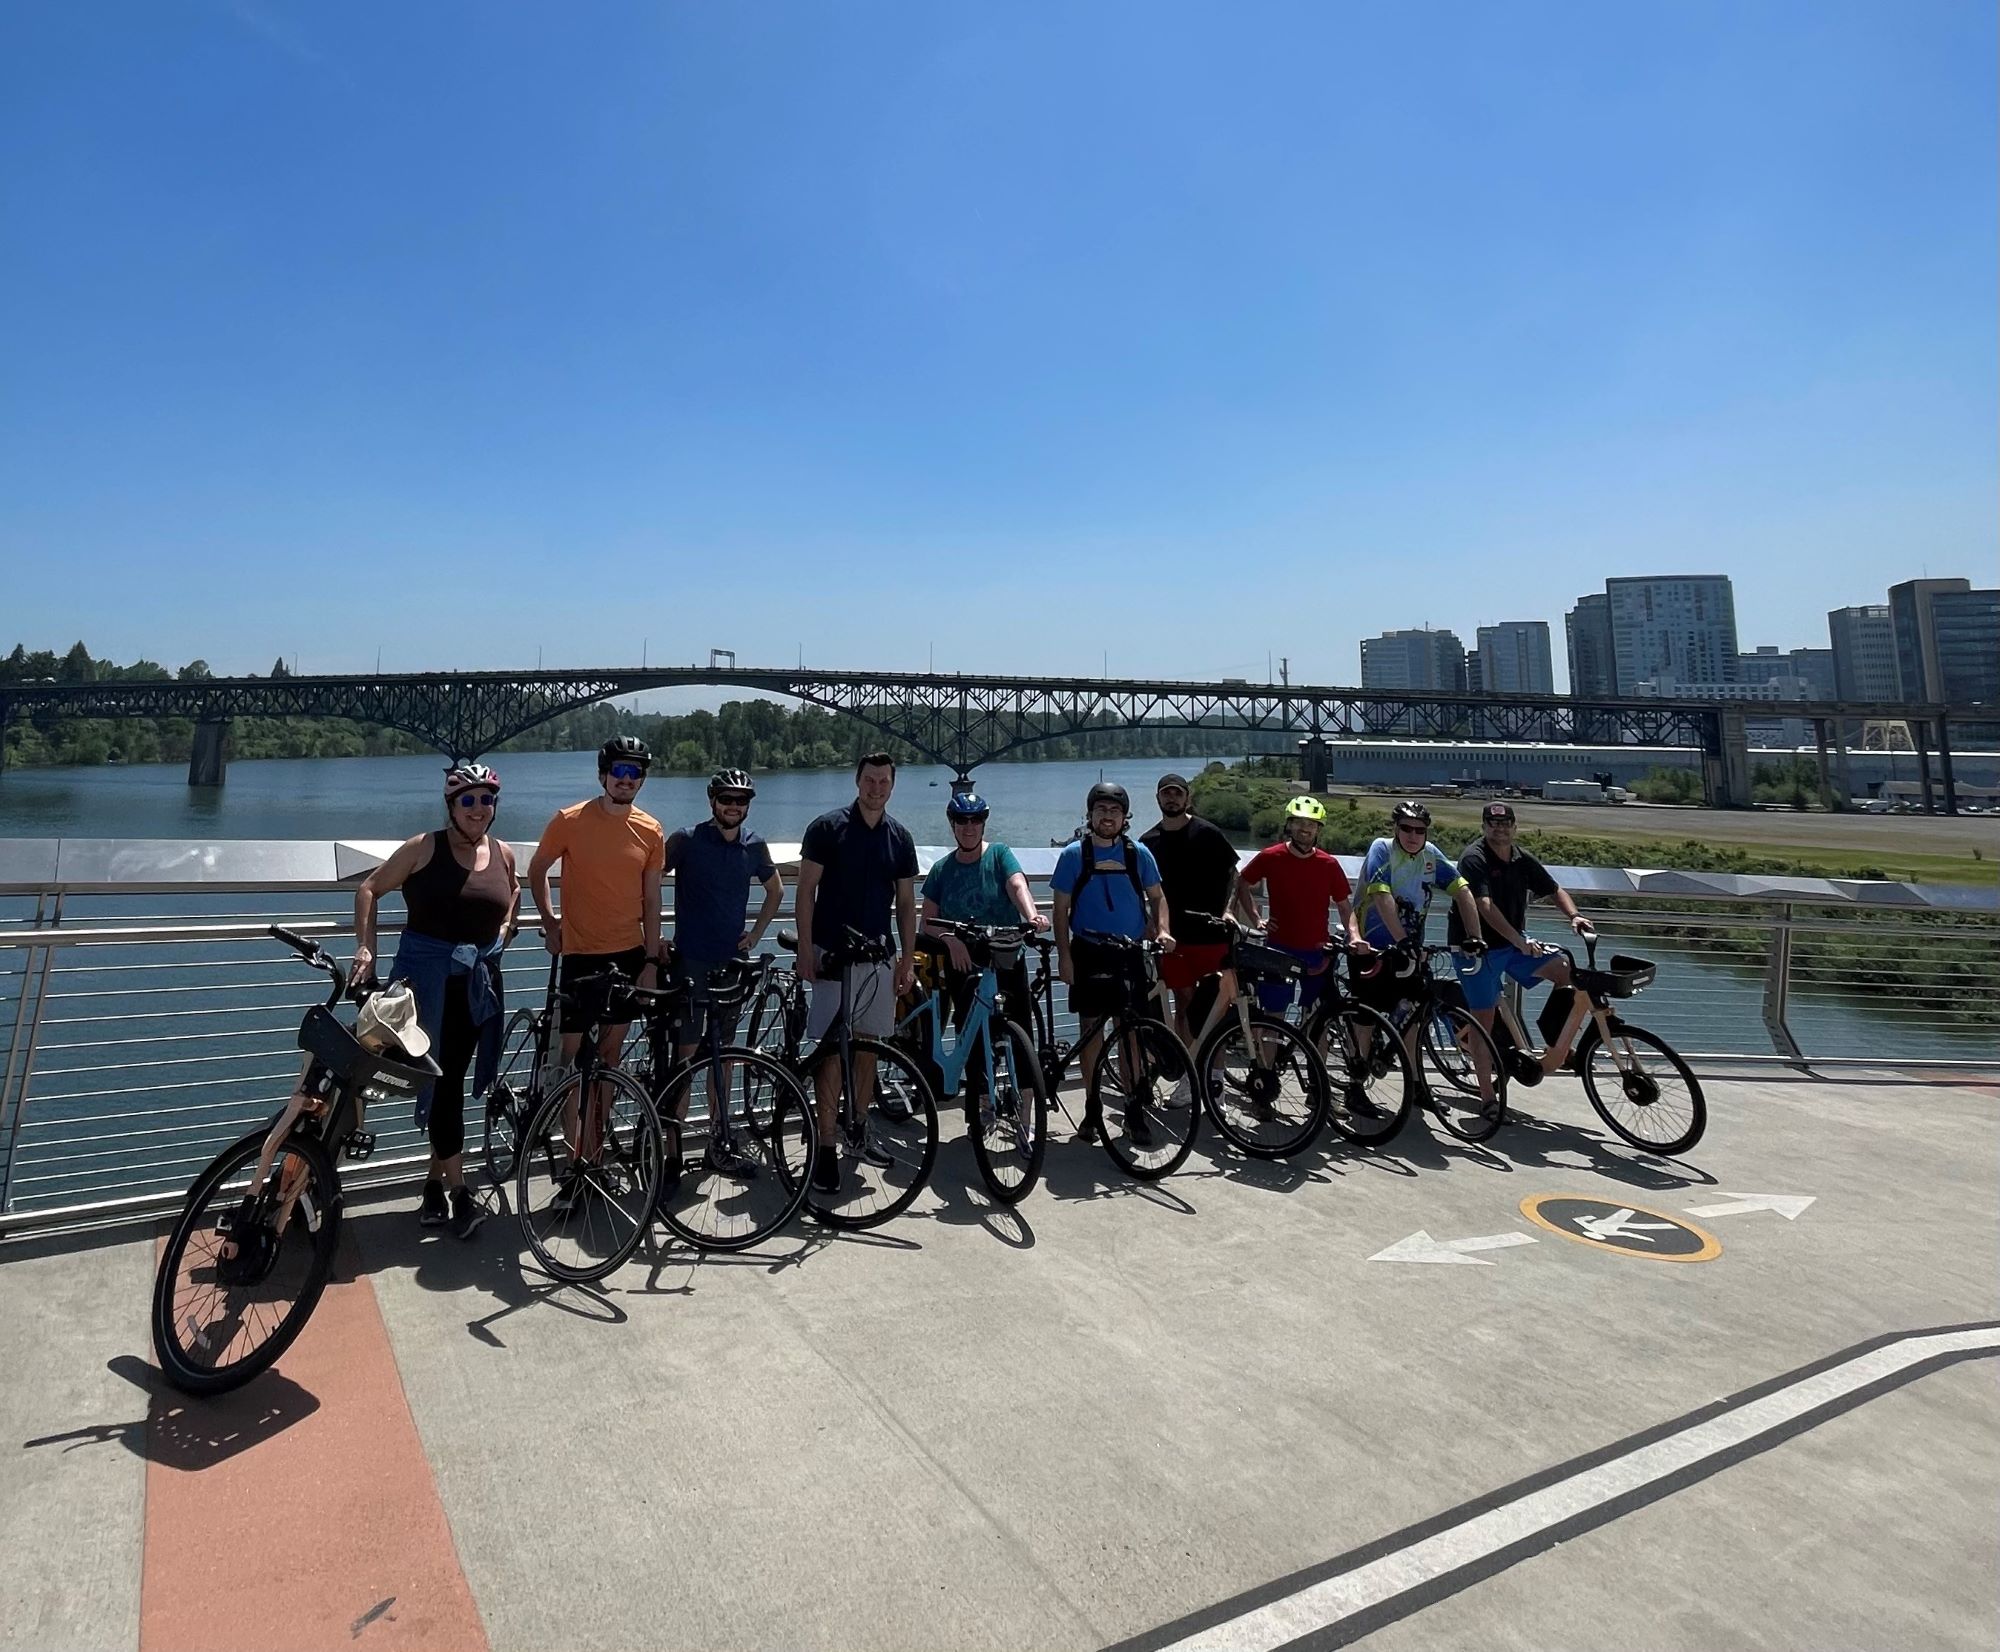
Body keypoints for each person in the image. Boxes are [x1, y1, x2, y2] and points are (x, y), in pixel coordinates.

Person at [352, 763, 517, 1240]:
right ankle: (462, 1193)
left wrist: (503, 932)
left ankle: (432, 1184)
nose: (478, 809)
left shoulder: (503, 853)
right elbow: (370, 889)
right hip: (424, 987)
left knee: (452, 1083)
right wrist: (367, 948)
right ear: (452, 806)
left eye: (486, 800)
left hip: (474, 988)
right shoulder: (424, 847)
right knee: (439, 1084)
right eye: (468, 800)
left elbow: (514, 896)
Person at [527, 736, 666, 1209]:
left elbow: (651, 900)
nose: (627, 781)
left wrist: (650, 960)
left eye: (635, 774)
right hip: (581, 957)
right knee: (571, 1067)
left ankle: (596, 1160)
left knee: (609, 1061)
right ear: (603, 773)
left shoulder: (650, 830)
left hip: (627, 956)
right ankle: (571, 1168)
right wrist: (549, 922)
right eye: (619, 772)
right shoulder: (569, 821)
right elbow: (538, 869)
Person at [795, 753, 920, 1192]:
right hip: (833, 958)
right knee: (832, 1053)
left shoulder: (900, 838)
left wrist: (907, 958)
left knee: (867, 1048)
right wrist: (806, 948)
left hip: (877, 959)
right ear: (857, 781)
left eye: (884, 781)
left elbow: (906, 905)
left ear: (892, 785)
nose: (876, 788)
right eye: (870, 780)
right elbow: (805, 891)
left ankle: (859, 1130)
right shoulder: (827, 829)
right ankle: (825, 1144)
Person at [663, 768, 784, 1173]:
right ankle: (672, 1151)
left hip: (731, 965)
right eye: (726, 798)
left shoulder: (754, 845)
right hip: (691, 961)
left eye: (741, 800)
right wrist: (653, 938)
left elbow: (776, 890)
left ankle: (719, 1140)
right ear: (711, 800)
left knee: (725, 1056)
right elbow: (645, 882)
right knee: (685, 1056)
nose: (734, 806)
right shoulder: (686, 840)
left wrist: (756, 933)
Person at [1050, 780, 1175, 1141]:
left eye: (1115, 811)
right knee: (1091, 1031)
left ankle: (1135, 1107)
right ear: (1090, 815)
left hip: (1130, 952)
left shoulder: (1139, 854)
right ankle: (1091, 1108)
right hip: (1088, 951)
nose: (1108, 817)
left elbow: (1158, 897)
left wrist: (1163, 929)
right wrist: (1064, 956)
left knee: (1131, 1033)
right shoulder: (1074, 854)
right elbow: (1060, 911)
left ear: (1125, 817)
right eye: (1101, 810)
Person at [917, 790, 1049, 1108]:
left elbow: (1017, 884)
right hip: (964, 964)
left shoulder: (999, 855)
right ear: (952, 824)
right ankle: (982, 1108)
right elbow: (928, 923)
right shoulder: (941, 870)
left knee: (1021, 1039)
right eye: (961, 820)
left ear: (984, 822)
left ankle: (1027, 1118)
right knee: (973, 1038)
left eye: (976, 819)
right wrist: (950, 941)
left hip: (1005, 955)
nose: (969, 826)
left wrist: (1032, 916)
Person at [1349, 799, 1486, 1095]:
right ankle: (1356, 1087)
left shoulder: (1430, 856)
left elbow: (1462, 890)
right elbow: (1382, 897)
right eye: (1406, 828)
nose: (1413, 835)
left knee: (1413, 1015)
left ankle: (1414, 1084)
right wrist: (1402, 940)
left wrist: (1475, 935)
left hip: (1409, 951)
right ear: (1396, 829)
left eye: (1419, 830)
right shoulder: (1382, 849)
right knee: (1368, 1017)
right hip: (1371, 947)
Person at [1450, 801, 1595, 1073]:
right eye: (1493, 824)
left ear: (1514, 828)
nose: (1500, 830)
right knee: (1485, 1021)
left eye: (1505, 824)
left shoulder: (1520, 858)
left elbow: (1553, 888)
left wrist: (1574, 915)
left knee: (1565, 970)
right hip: (1477, 948)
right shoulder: (1474, 857)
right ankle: (1489, 1101)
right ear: (1484, 827)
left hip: (1511, 943)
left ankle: (1557, 1046)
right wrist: (1520, 941)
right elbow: (1485, 906)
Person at [1231, 795, 1367, 1019]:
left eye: (1311, 824)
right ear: (1289, 825)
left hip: (1316, 951)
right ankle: (1274, 1055)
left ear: (1318, 829)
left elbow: (1344, 907)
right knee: (1273, 1015)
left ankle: (1315, 1055)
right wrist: (1256, 919)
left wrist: (1354, 936)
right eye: (1300, 822)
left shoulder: (1328, 864)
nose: (1306, 829)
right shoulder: (1270, 856)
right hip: (1278, 948)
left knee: (1318, 1017)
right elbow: (1242, 883)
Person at [1141, 773, 1243, 1046]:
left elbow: (1234, 875)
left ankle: (1215, 1075)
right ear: (1158, 798)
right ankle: (1190, 1075)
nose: (1171, 798)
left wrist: (1229, 911)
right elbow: (1136, 890)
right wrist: (1150, 923)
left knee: (1214, 1011)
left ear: (1188, 798)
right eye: (1166, 793)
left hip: (1211, 936)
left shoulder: (1208, 833)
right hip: (1174, 940)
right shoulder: (1147, 842)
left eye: (1177, 793)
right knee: (1184, 1005)